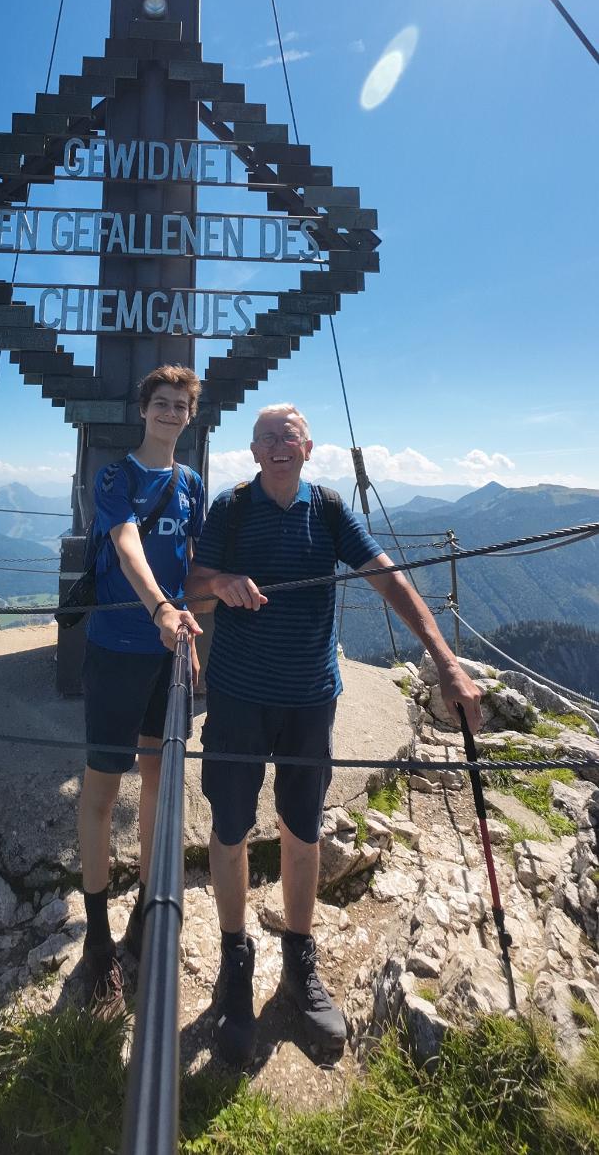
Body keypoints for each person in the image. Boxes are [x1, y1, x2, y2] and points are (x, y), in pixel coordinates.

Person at [184, 403, 482, 1066]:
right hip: (236, 696)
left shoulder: (328, 509)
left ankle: (299, 959)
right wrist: (221, 582)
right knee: (229, 828)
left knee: (303, 828)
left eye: (288, 436)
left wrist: (446, 662)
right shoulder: (230, 509)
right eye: (266, 438)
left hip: (309, 698)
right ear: (253, 452)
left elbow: (387, 578)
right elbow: (191, 584)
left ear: (308, 448)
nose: (277, 445)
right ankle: (235, 961)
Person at [78, 364, 204, 1016]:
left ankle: (145, 919)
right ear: (143, 409)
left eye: (181, 405)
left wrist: (191, 630)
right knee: (102, 790)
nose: (170, 413)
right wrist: (160, 609)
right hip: (119, 649)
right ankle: (97, 940)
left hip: (168, 650)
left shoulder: (192, 484)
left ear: (191, 416)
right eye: (161, 402)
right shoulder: (115, 478)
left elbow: (195, 562)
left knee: (158, 780)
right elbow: (127, 545)